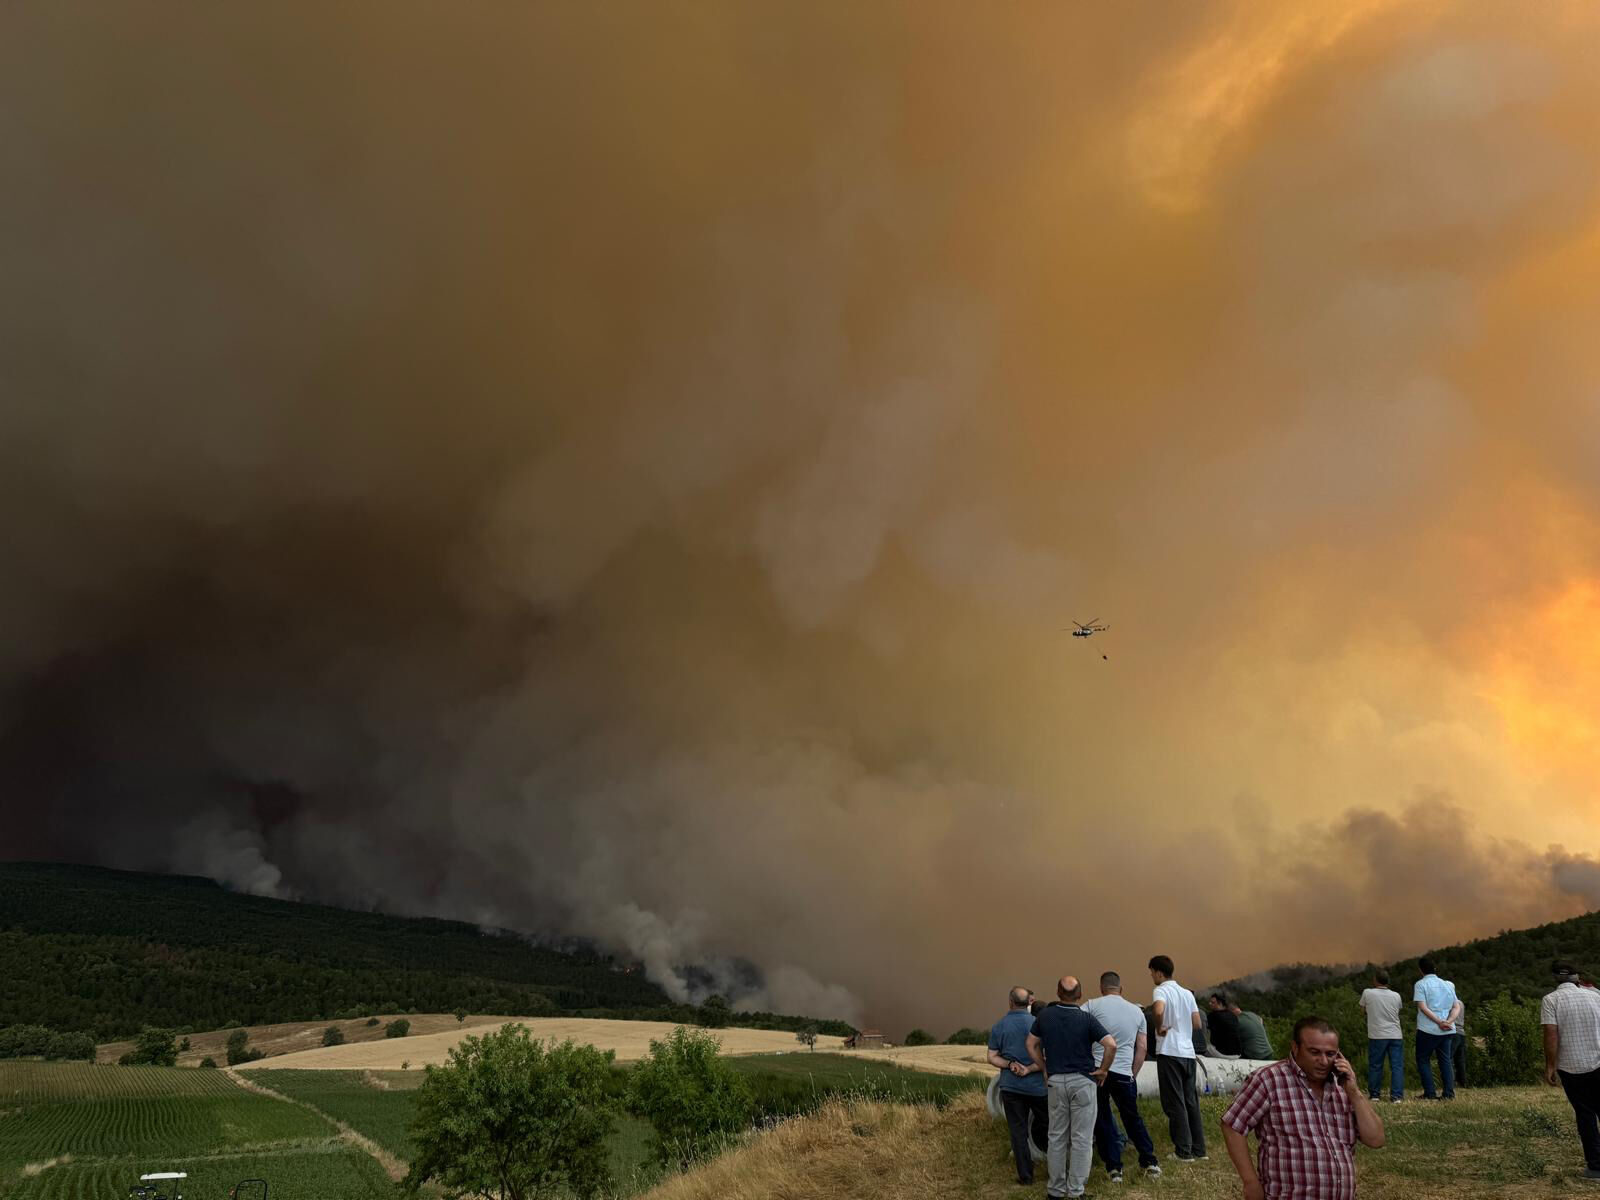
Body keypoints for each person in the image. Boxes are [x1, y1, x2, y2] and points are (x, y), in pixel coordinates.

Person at [1222, 1015, 1385, 1200]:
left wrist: (1355, 1093)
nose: (1323, 1061)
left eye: (1330, 1054)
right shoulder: (1269, 1080)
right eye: (1314, 1052)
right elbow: (1232, 1125)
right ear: (1295, 1048)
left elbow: (1376, 1140)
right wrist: (1250, 1182)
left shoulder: (1344, 1088)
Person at [1027, 976, 1117, 1200]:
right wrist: (1103, 1070)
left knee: (1056, 1137)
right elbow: (1111, 1045)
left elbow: (1030, 1043)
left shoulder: (1044, 1016)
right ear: (1079, 994)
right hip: (1083, 1082)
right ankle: (1076, 1191)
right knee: (1082, 1139)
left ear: (1058, 992)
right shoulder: (1086, 1019)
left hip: (1056, 1082)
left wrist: (1044, 1067)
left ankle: (1055, 1191)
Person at [1083, 971, 1162, 1182]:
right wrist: (1132, 1075)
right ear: (1121, 989)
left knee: (1103, 1118)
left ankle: (1114, 1168)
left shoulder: (1090, 1006)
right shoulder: (1137, 1013)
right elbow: (1142, 1048)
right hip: (1124, 1073)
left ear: (1101, 988)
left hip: (1098, 1071)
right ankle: (1150, 1161)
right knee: (1132, 1118)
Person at [1541, 961, 1600, 1181]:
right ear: (1577, 977)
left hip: (1571, 1066)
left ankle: (1596, 1167)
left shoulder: (1550, 1000)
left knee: (1585, 1115)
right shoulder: (1597, 996)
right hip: (1598, 1060)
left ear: (1556, 978)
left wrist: (1550, 1065)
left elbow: (1551, 1034)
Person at [1148, 954, 1207, 1161]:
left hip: (1169, 1052)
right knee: (1191, 1101)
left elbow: (1158, 1009)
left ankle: (1183, 1152)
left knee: (1175, 1102)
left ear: (1158, 972)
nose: (1152, 976)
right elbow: (1198, 1023)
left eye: (1152, 972)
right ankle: (1199, 1150)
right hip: (1188, 1053)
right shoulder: (1186, 993)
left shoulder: (1161, 990)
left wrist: (1159, 1026)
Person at [989, 986, 1048, 1185]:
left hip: (1011, 1087)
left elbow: (991, 1057)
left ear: (1010, 1002)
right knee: (1051, 1125)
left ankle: (1026, 1176)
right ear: (1028, 1002)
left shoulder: (999, 1026)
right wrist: (1030, 1069)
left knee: (1018, 1132)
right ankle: (1057, 1169)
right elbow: (1046, 1057)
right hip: (1038, 1087)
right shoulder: (1038, 1024)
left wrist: (1010, 1065)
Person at [1412, 957, 1458, 1100]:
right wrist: (1448, 1021)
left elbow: (1422, 1007)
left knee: (1423, 1059)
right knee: (1445, 1060)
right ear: (1435, 968)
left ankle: (1430, 1093)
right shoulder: (1448, 985)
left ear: (1420, 970)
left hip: (1428, 1029)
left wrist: (1439, 1022)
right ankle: (1449, 1093)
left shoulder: (1420, 985)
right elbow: (1457, 1006)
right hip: (1448, 1029)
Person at [1359, 970, 1404, 1103]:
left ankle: (1375, 1095)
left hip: (1377, 1034)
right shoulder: (1396, 995)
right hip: (1395, 1034)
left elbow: (1362, 1011)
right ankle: (1396, 1096)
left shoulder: (1367, 993)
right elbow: (1398, 1010)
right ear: (1388, 981)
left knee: (1375, 1065)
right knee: (1396, 1066)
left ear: (1375, 980)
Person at [1450, 996, 1467, 1089]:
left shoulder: (1451, 1003)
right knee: (1460, 1060)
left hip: (1453, 1032)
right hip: (1462, 1032)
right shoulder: (1461, 1002)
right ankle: (1462, 1082)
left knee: (1449, 1058)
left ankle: (1451, 1083)